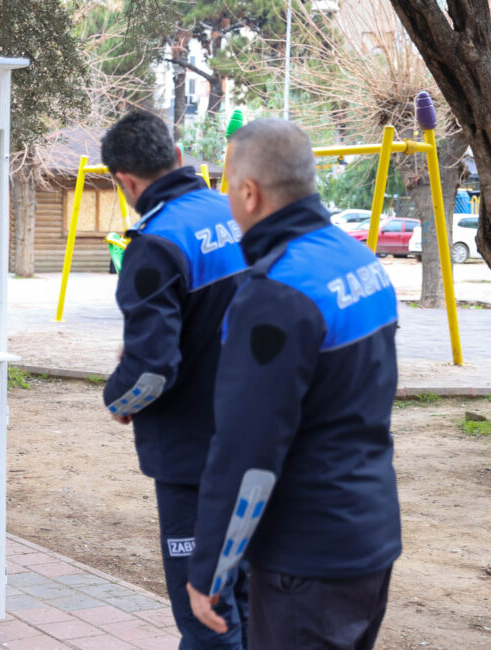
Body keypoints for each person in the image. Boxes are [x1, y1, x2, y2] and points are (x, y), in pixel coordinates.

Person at [187, 119, 401, 649]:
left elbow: (246, 451)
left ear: (249, 192)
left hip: (306, 560)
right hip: (369, 535)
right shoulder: (360, 261)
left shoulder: (275, 294)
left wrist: (211, 569)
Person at [100, 110, 249, 649]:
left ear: (126, 181)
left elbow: (153, 369)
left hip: (196, 459)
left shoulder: (154, 244)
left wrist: (120, 399)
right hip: (265, 441)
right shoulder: (239, 212)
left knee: (207, 609)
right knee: (247, 596)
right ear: (180, 158)